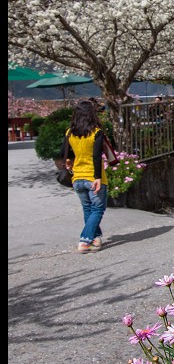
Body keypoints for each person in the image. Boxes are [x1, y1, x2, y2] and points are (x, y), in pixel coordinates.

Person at [60, 98, 109, 253]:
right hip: (92, 177)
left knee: (88, 209)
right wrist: (98, 178)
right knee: (98, 209)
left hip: (77, 178)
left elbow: (64, 154)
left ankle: (96, 238)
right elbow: (96, 157)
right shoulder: (96, 132)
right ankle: (85, 240)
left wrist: (69, 162)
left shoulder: (69, 133)